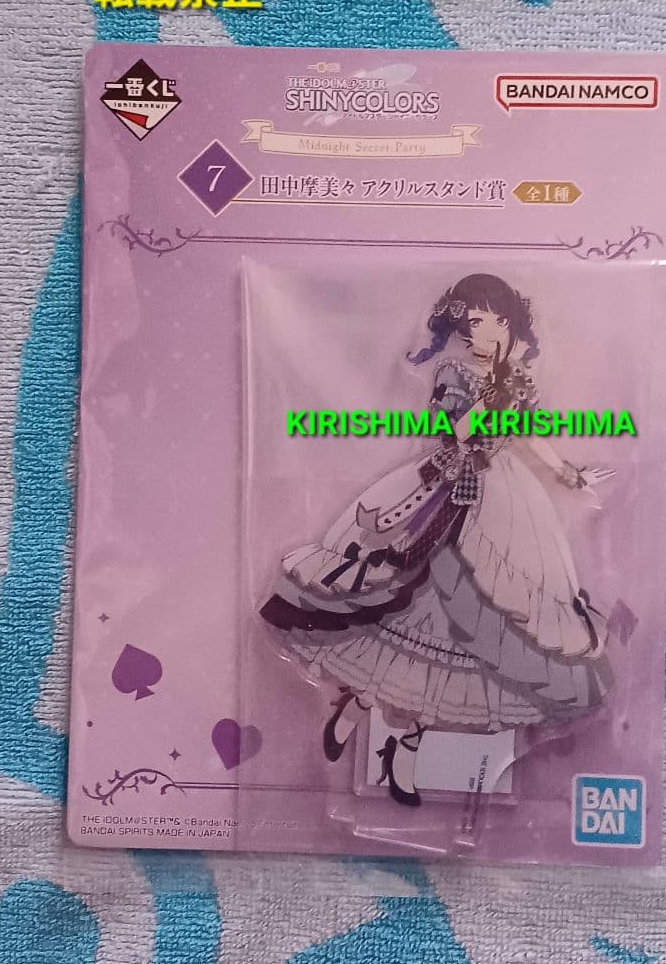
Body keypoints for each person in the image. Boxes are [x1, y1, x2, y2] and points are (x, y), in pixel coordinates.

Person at [260, 274, 613, 807]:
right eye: (467, 323)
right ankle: (358, 710)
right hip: (444, 490)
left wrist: (571, 475)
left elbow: (529, 435)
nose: (474, 333)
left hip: (504, 501)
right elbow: (457, 430)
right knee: (405, 602)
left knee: (477, 626)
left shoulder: (517, 380)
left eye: (483, 321)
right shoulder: (455, 373)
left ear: (507, 321)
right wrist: (491, 400)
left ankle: (399, 749)